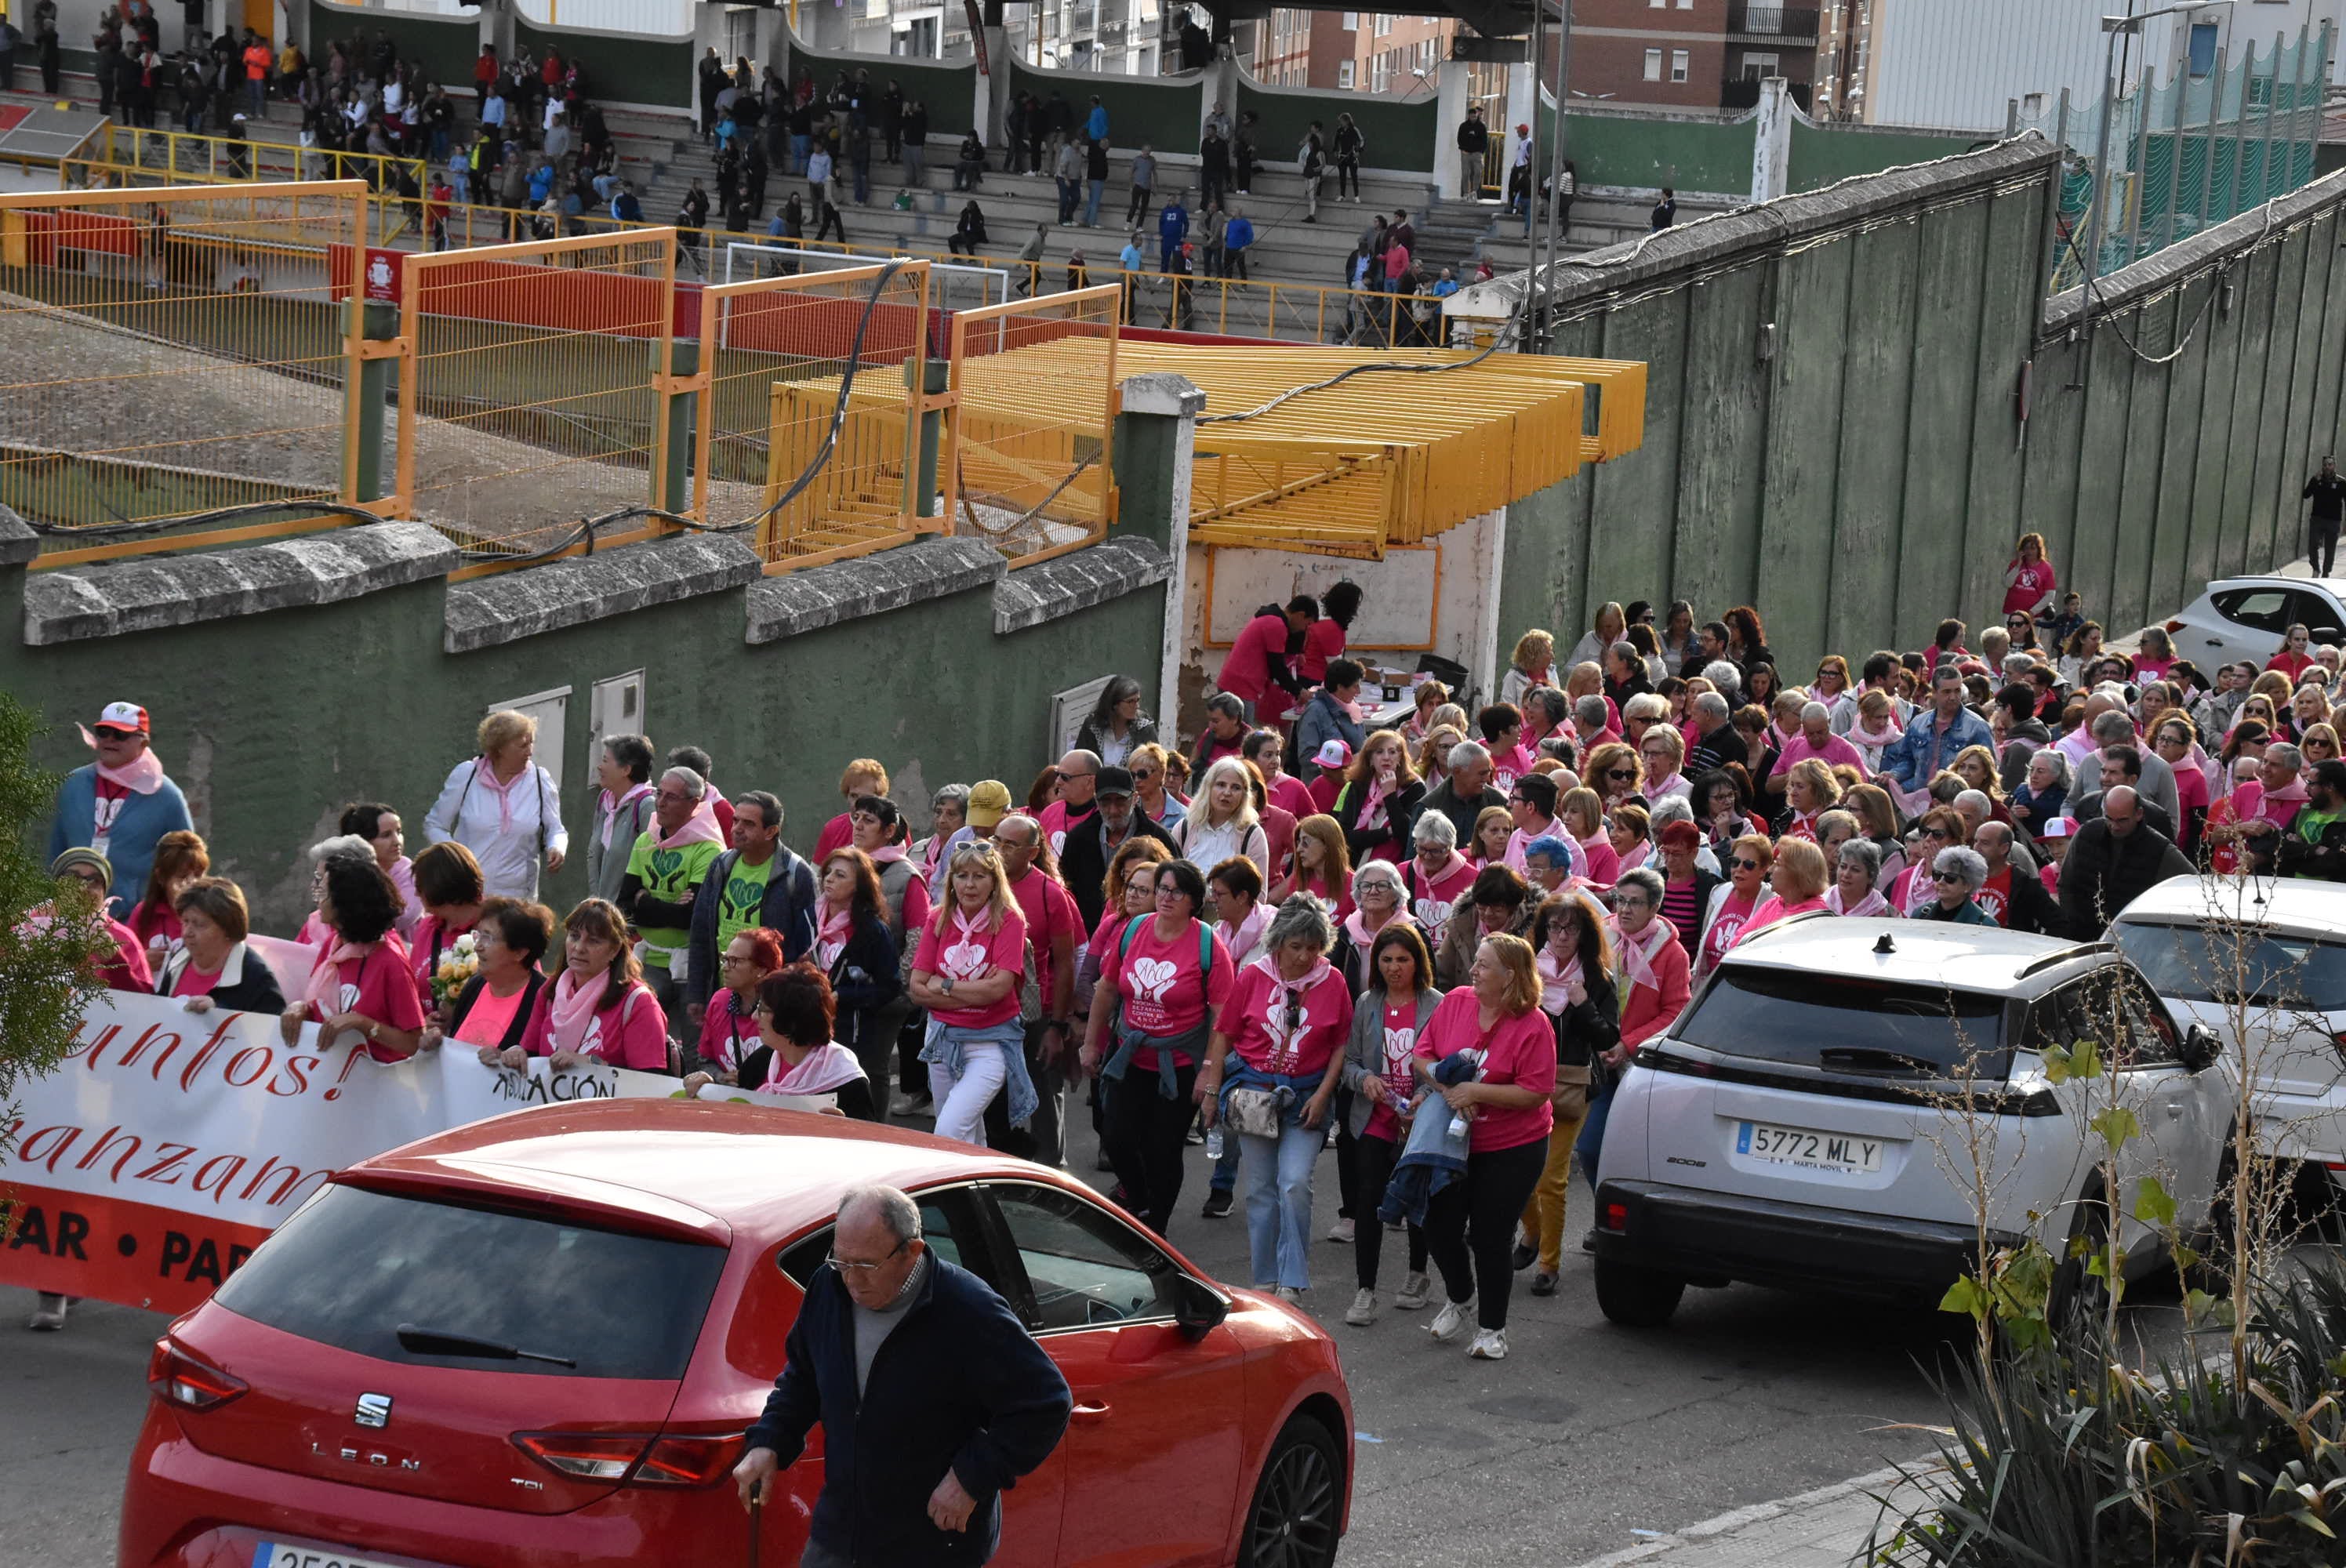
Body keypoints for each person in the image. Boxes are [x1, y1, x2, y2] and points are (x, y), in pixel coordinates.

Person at [732, 1185, 1071, 1568]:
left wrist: (971, 1478)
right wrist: (770, 1442)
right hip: (841, 1533)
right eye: (840, 1261)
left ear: (912, 1251)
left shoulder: (967, 1310)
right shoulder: (829, 1288)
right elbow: (803, 1377)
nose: (851, 1280)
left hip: (929, 1545)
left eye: (865, 1265)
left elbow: (1046, 1402)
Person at [1406, 931, 1554, 1360]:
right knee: (1435, 1223)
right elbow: (1421, 1054)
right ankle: (1460, 1295)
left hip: (1514, 1146)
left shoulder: (1534, 1024)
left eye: (1484, 964)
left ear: (1511, 976)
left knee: (1490, 1236)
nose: (1473, 970)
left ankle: (1492, 1330)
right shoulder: (1455, 1001)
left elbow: (1537, 1090)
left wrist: (1476, 1093)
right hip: (1453, 1140)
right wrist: (1450, 1087)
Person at [1199, 896, 1354, 1301]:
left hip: (1305, 1098)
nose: (1305, 956)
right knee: (1261, 1190)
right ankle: (1265, 1278)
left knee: (1295, 1184)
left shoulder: (1333, 980)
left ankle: (1293, 1278)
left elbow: (1340, 1046)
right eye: (1295, 946)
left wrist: (1323, 1096)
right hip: (1254, 1096)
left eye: (1313, 947)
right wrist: (1212, 1094)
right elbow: (1224, 1034)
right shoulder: (1252, 976)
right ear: (1278, 943)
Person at [1082, 858, 1235, 1231]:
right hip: (1131, 1055)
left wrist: (1209, 1076)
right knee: (1115, 1137)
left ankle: (1158, 1228)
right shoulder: (1134, 929)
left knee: (1163, 1150)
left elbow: (1222, 1020)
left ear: (1194, 901)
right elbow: (1106, 990)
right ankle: (1138, 1200)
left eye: (1176, 891)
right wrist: (1091, 1044)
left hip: (1180, 1064)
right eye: (1162, 889)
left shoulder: (1208, 946)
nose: (1166, 897)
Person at [1340, 921, 1442, 1324]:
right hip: (1374, 1117)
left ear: (1418, 961)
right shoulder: (1367, 1002)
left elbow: (1452, 1067)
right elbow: (1348, 1062)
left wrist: (1427, 1094)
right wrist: (1364, 1079)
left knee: (1416, 1197)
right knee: (1369, 1199)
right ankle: (1365, 1289)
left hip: (1420, 1119)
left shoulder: (1438, 1003)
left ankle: (1418, 1274)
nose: (1394, 967)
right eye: (1386, 959)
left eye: (1403, 959)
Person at [1517, 891, 1616, 1297]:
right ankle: (1534, 1234)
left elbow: (1609, 1038)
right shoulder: (1527, 972)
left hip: (1572, 1088)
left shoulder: (1596, 978)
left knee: (1552, 1179)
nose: (1561, 936)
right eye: (1554, 927)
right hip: (1523, 1084)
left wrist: (1584, 1005)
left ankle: (1548, 1265)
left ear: (1584, 934)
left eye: (1571, 928)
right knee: (1519, 1176)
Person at [906, 841, 1034, 1146]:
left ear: (994, 881)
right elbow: (917, 989)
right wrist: (974, 992)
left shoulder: (1009, 921)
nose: (969, 884)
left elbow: (998, 990)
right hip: (941, 1040)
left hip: (988, 1044)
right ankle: (977, 1193)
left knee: (948, 1132)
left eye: (979, 876)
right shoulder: (937, 919)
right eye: (962, 875)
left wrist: (945, 984)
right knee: (967, 1136)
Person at [48, 700, 193, 920]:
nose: (110, 740)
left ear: (143, 743)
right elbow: (56, 851)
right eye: (103, 732)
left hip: (135, 924)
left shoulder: (167, 797)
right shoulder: (73, 783)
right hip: (72, 917)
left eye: (120, 734)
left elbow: (190, 867)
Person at [279, 855, 426, 1060]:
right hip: (332, 1077)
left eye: (324, 893)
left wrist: (362, 1023)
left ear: (347, 903)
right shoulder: (334, 944)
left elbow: (414, 1043)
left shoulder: (390, 961)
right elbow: (321, 1008)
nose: (318, 900)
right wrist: (300, 1008)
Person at [498, 897, 669, 1070]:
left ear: (615, 950)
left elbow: (650, 1080)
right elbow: (531, 1054)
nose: (579, 948)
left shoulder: (639, 1003)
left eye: (593, 941)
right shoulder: (549, 991)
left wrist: (590, 1064)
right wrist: (512, 1055)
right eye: (574, 936)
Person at [423, 709, 566, 899]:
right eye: (523, 745)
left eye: (531, 742)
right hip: (467, 892)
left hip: (517, 899)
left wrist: (556, 847)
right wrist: (456, 858)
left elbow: (556, 830)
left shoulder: (540, 780)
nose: (530, 751)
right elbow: (434, 825)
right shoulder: (467, 775)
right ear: (500, 748)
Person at [408, 896, 550, 1057]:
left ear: (520, 952)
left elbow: (543, 1064)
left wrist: (504, 1060)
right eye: (479, 935)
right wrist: (436, 1042)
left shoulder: (544, 997)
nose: (478, 946)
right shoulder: (476, 984)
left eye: (488, 938)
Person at [2057, 786, 2194, 936]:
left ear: (2139, 814)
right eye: (2109, 819)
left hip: (2132, 940)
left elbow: (2193, 886)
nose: (2114, 827)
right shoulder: (2086, 834)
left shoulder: (2159, 850)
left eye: (2122, 820)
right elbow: (2066, 884)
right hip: (2082, 933)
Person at [151, 875, 285, 1015]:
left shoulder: (258, 978)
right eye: (185, 921)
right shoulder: (177, 962)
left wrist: (219, 1013)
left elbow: (272, 1032)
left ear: (228, 928)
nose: (187, 933)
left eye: (200, 925)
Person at [1174, 755, 1272, 881]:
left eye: (1236, 787)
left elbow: (1259, 894)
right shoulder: (1184, 829)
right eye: (1221, 785)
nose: (1227, 793)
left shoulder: (1253, 835)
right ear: (1208, 788)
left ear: (1244, 794)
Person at [586, 731, 656, 905]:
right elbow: (595, 855)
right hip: (602, 912)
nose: (599, 767)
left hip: (627, 918)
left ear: (626, 769)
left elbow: (649, 866)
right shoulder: (604, 799)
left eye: (605, 761)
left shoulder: (647, 805)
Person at [1073, 675, 1157, 768]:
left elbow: (1157, 767)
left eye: (1137, 700)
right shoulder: (1092, 726)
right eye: (1130, 702)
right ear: (1114, 704)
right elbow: (1078, 761)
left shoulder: (1145, 729)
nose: (1137, 706)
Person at [2304, 457, 2346, 577]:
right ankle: (2316, 569)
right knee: (2312, 545)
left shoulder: (2341, 482)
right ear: (2322, 466)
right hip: (2317, 519)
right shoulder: (2316, 480)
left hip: (2334, 521)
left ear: (2334, 466)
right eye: (2325, 465)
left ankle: (2326, 572)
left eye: (2330, 464)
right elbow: (2306, 495)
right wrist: (2313, 480)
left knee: (2330, 549)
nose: (2327, 467)